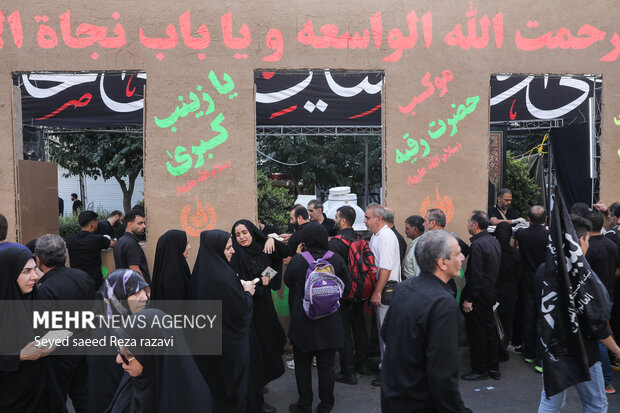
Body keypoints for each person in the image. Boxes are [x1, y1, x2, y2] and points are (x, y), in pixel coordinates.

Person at [381, 230, 471, 413]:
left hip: (393, 396)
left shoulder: (403, 288)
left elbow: (386, 333)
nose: (462, 257)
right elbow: (443, 374)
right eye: (457, 253)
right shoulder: (443, 304)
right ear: (442, 263)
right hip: (421, 403)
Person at [537, 216, 620, 412]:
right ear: (581, 240)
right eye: (588, 240)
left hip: (553, 349)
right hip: (583, 352)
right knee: (596, 405)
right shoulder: (583, 276)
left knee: (550, 403)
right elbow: (596, 324)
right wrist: (616, 350)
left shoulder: (543, 270)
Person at [188, 230, 257, 413]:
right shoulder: (223, 276)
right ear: (217, 250)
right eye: (228, 248)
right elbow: (240, 312)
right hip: (229, 349)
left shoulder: (201, 272)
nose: (232, 251)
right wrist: (247, 293)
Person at [285, 224, 351, 413]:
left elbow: (289, 281)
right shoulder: (335, 259)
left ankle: (304, 405)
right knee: (326, 367)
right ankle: (326, 405)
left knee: (303, 366)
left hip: (303, 322)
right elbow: (346, 288)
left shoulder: (299, 260)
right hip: (329, 322)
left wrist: (298, 255)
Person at [105, 308, 213, 413]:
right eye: (119, 349)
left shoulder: (192, 405)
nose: (118, 360)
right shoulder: (131, 384)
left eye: (127, 354)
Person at [0, 247, 67, 413]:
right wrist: (20, 356)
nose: (35, 276)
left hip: (43, 394)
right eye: (26, 271)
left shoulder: (34, 299)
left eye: (35, 269)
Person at [34, 234, 96, 412]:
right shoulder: (82, 276)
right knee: (84, 397)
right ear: (66, 255)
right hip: (86, 346)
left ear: (38, 260)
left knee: (56, 399)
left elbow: (48, 328)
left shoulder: (44, 289)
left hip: (60, 355)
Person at [230, 219, 287, 412]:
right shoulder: (235, 255)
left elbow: (279, 260)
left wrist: (271, 239)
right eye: (237, 235)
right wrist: (259, 283)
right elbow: (236, 280)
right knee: (254, 349)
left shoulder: (263, 248)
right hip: (247, 309)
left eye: (244, 232)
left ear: (252, 232)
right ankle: (256, 388)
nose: (242, 237)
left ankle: (261, 382)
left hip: (264, 307)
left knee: (268, 342)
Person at [89, 269, 150, 413]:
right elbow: (104, 391)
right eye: (135, 293)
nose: (144, 297)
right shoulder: (106, 337)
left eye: (144, 291)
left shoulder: (137, 324)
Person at [329, 206, 368, 384]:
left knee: (344, 331)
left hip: (343, 292)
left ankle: (348, 372)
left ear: (343, 220)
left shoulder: (336, 243)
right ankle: (362, 363)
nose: (334, 220)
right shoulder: (358, 238)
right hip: (359, 289)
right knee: (359, 326)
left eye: (336, 217)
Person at [461, 210, 502, 381]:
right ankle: (493, 368)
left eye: (469, 221)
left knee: (477, 334)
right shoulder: (492, 241)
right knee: (489, 331)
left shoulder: (478, 245)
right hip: (490, 293)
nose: (467, 223)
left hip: (479, 295)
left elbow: (476, 276)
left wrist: (469, 299)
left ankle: (480, 369)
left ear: (475, 225)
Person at [364, 203, 401, 387]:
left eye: (367, 217)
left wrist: (377, 292)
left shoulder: (386, 236)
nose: (365, 221)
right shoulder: (377, 236)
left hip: (386, 292)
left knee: (387, 333)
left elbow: (385, 268)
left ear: (378, 218)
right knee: (383, 332)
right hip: (381, 290)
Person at [584, 209, 620, 394]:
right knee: (604, 333)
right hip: (610, 295)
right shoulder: (612, 244)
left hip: (594, 299)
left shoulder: (589, 248)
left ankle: (606, 382)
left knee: (599, 339)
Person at [514, 205, 549, 368]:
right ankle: (541, 359)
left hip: (527, 281)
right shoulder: (549, 235)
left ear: (528, 219)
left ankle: (529, 353)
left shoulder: (521, 233)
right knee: (543, 319)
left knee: (528, 318)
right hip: (545, 282)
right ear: (546, 219)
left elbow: (516, 247)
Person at [494, 222, 522, 362]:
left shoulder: (493, 250)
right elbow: (518, 274)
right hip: (509, 291)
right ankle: (502, 349)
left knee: (493, 321)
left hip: (494, 290)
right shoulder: (515, 253)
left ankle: (493, 349)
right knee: (505, 322)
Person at [66, 210, 114, 291]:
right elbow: (113, 244)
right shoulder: (97, 239)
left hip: (76, 280)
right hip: (94, 281)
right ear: (93, 223)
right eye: (96, 222)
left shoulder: (70, 239)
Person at [151, 229, 191, 300]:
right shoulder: (174, 275)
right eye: (186, 243)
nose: (189, 247)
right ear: (176, 246)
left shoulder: (173, 268)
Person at [113, 209, 150, 283]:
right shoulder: (131, 243)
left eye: (144, 223)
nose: (144, 226)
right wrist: (146, 288)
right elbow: (135, 270)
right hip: (134, 288)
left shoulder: (121, 241)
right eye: (140, 223)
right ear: (129, 224)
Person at [401, 215, 425, 279]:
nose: (405, 230)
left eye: (407, 228)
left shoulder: (419, 247)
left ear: (416, 230)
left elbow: (419, 274)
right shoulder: (416, 243)